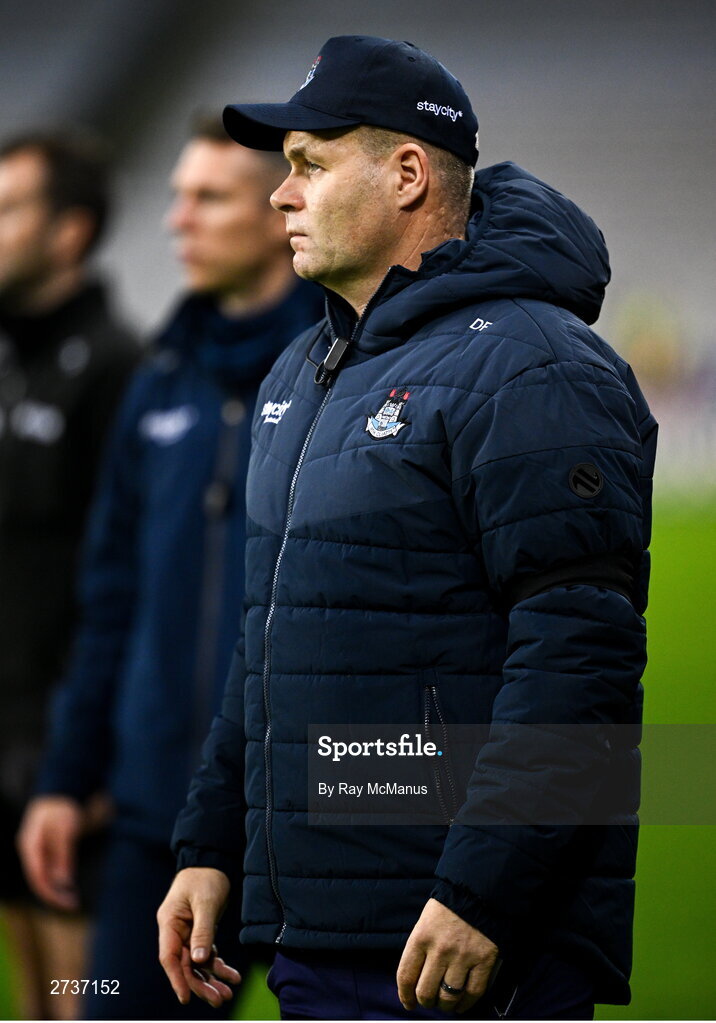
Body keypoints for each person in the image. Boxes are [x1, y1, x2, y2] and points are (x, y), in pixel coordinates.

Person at [158, 37, 657, 1021]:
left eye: (306, 163)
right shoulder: (300, 374)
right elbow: (263, 649)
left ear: (407, 174)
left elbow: (577, 661)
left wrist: (483, 891)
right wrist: (209, 845)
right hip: (315, 940)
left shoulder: (533, 364)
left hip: (464, 947)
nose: (277, 195)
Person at [18, 115, 323, 1020]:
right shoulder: (158, 381)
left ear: (278, 211)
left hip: (316, 816)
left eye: (207, 197)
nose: (176, 220)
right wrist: (68, 779)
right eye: (176, 195)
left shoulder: (346, 373)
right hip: (159, 819)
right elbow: (109, 599)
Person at [0, 129, 139, 1020]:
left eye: (8, 209)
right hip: (2, 736)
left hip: (69, 757)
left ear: (70, 231)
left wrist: (94, 753)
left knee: (84, 1002)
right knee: (36, 1003)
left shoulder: (119, 368)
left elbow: (135, 581)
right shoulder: (8, 360)